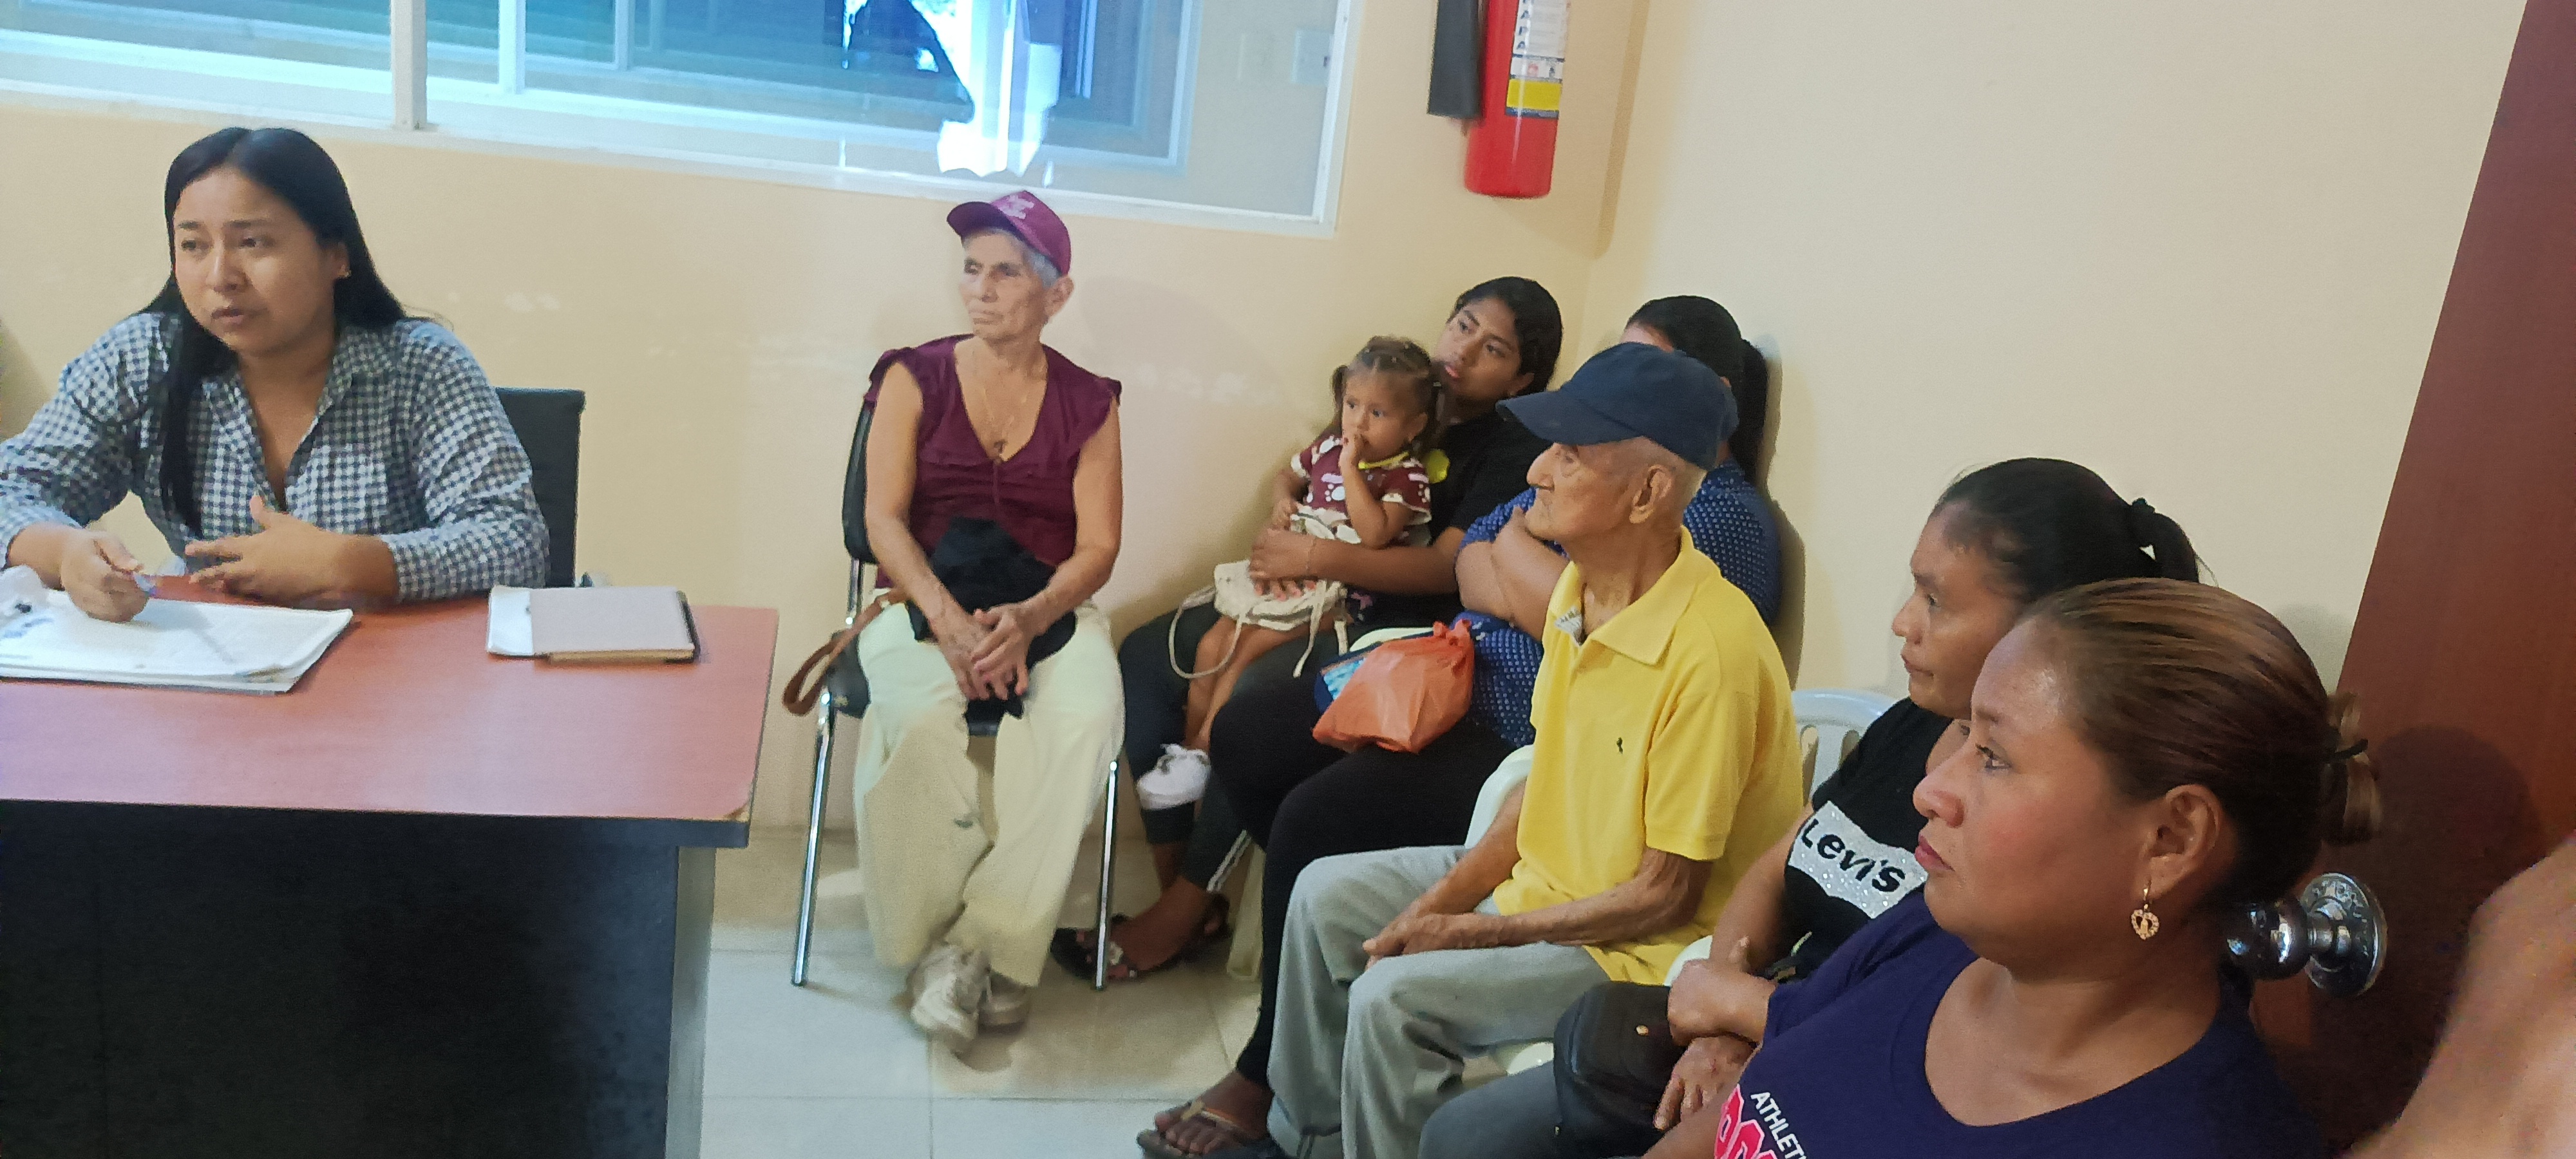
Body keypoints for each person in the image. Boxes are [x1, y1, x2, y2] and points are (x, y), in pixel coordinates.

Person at [1137, 301, 1785, 1159]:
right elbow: (1537, 791)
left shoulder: (1710, 652)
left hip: (1632, 947)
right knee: (1327, 897)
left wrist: (1469, 930)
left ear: (1649, 493)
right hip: (1549, 884)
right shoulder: (1580, 595)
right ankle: (1306, 1134)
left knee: (1393, 997)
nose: (1539, 471)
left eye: (1570, 454)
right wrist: (1433, 908)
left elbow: (1663, 895)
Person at [1421, 458, 2202, 1159]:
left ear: (2045, 633)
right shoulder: (1911, 726)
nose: (1902, 621)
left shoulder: (2038, 853)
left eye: (1935, 600)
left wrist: (1744, 1011)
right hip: (1754, 1022)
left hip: (1806, 1055)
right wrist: (1725, 1006)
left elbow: (1920, 1025)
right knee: (1464, 1131)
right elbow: (1778, 868)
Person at [1642, 578, 2376, 1159]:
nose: (1930, 790)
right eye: (1965, 733)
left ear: (2169, 840)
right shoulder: (1930, 936)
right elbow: (1748, 1109)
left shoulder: (2197, 1138)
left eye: (1993, 757)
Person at [1082, 278, 1565, 987]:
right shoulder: (1393, 385)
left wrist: (1312, 557)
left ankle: (1180, 913)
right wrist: (1285, 522)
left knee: (1255, 696)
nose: (1462, 351)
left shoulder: (1512, 446)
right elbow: (1306, 473)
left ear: (1522, 378)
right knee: (1150, 654)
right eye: (1462, 325)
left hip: (1388, 620)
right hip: (1302, 583)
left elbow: (1445, 566)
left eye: (1493, 349)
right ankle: (1180, 885)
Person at [0, 127, 545, 617]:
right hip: (215, 667)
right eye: (193, 245)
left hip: (392, 668)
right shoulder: (142, 359)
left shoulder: (420, 366)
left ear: (336, 255)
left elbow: (515, 541)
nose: (221, 276)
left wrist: (351, 564)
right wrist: (64, 552)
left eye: (253, 243)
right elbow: (15, 488)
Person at [849, 189, 1124, 1056]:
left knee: (1085, 717)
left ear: (1056, 294)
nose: (981, 289)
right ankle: (935, 945)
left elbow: (1100, 546)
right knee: (916, 719)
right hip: (923, 595)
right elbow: (882, 519)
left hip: (1045, 604)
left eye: (1006, 273)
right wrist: (950, 622)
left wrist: (1031, 617)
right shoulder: (913, 376)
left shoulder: (1090, 402)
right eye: (972, 270)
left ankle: (980, 943)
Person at [1136, 337, 1447, 813]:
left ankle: (1204, 749)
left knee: (1247, 653)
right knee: (1214, 645)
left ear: (1414, 426)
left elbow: (1375, 534)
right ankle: (1188, 756)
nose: (1358, 423)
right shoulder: (1327, 447)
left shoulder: (1406, 476)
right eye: (1352, 405)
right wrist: (1282, 501)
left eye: (1378, 413)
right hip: (1291, 579)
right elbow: (1288, 476)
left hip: (1342, 597)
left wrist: (1351, 469)